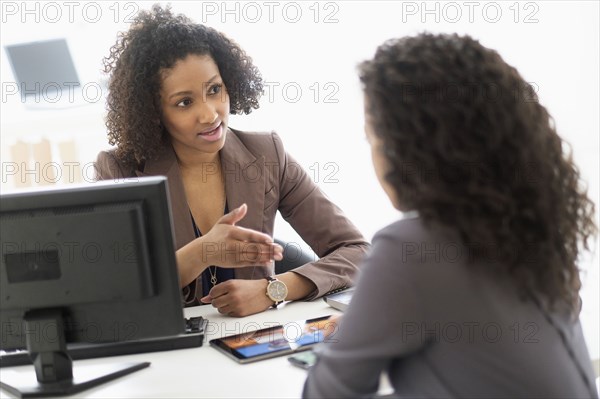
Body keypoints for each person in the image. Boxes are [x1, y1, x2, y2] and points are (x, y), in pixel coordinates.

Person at [303, 33, 598, 398]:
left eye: (373, 138)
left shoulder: (411, 247)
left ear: (411, 146)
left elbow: (326, 393)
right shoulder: (532, 225)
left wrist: (357, 330)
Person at [94, 5, 368, 317]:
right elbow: (113, 290)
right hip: (170, 351)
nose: (210, 114)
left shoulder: (267, 154)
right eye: (184, 102)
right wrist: (202, 252)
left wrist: (273, 289)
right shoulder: (120, 170)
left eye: (214, 89)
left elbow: (357, 252)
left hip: (253, 341)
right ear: (153, 112)